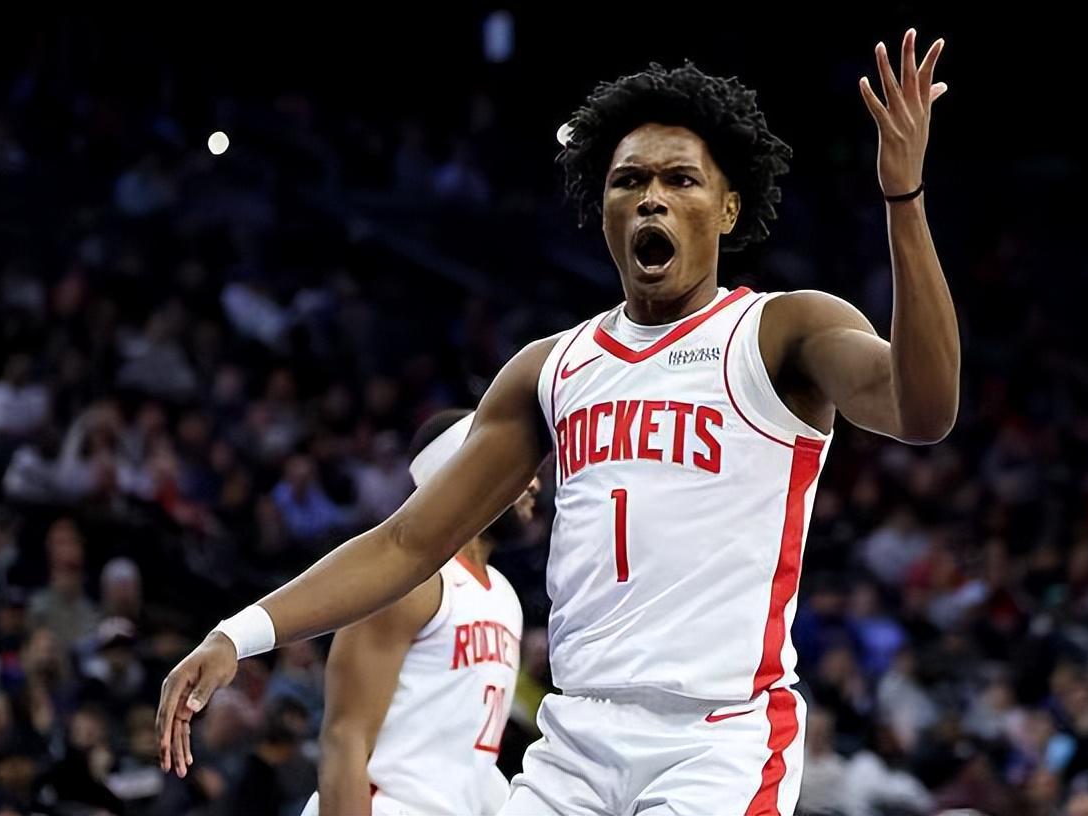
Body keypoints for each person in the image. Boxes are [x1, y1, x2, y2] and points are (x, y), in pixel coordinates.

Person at [160, 29, 959, 816]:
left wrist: (904, 200)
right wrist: (239, 633)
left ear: (728, 208)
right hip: (575, 742)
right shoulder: (550, 368)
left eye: (681, 179)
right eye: (628, 180)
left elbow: (923, 411)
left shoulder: (782, 331)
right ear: (602, 208)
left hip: (715, 741)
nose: (651, 196)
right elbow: (407, 542)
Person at [301, 410, 533, 816]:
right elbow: (344, 739)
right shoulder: (407, 582)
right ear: (471, 472)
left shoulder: (504, 595)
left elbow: (466, 757)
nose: (533, 483)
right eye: (517, 465)